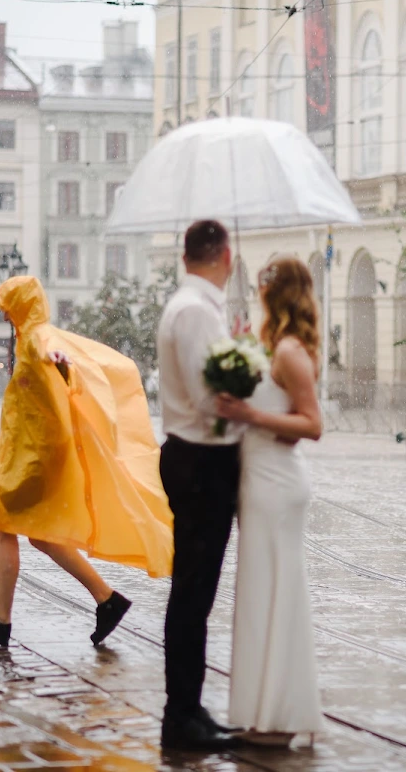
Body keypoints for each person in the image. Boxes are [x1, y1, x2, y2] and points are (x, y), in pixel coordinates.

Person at [0, 276, 172, 648]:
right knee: (40, 535)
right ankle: (107, 599)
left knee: (4, 524)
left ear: (22, 304)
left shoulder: (38, 337)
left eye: (8, 305)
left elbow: (52, 352)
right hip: (28, 453)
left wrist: (58, 361)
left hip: (32, 458)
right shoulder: (29, 336)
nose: (4, 313)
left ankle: (0, 620)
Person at [214, 256, 325, 748]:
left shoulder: (289, 351)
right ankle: (267, 713)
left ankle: (277, 718)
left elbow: (312, 424)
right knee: (264, 594)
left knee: (274, 594)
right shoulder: (272, 347)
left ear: (274, 294)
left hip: (277, 484)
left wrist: (250, 414)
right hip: (260, 481)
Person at [156, 219, 244, 752]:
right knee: (191, 595)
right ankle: (180, 716)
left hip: (201, 460)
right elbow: (210, 400)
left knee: (196, 594)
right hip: (200, 462)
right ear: (225, 255)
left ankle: (189, 708)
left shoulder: (199, 308)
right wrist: (256, 408)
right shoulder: (192, 311)